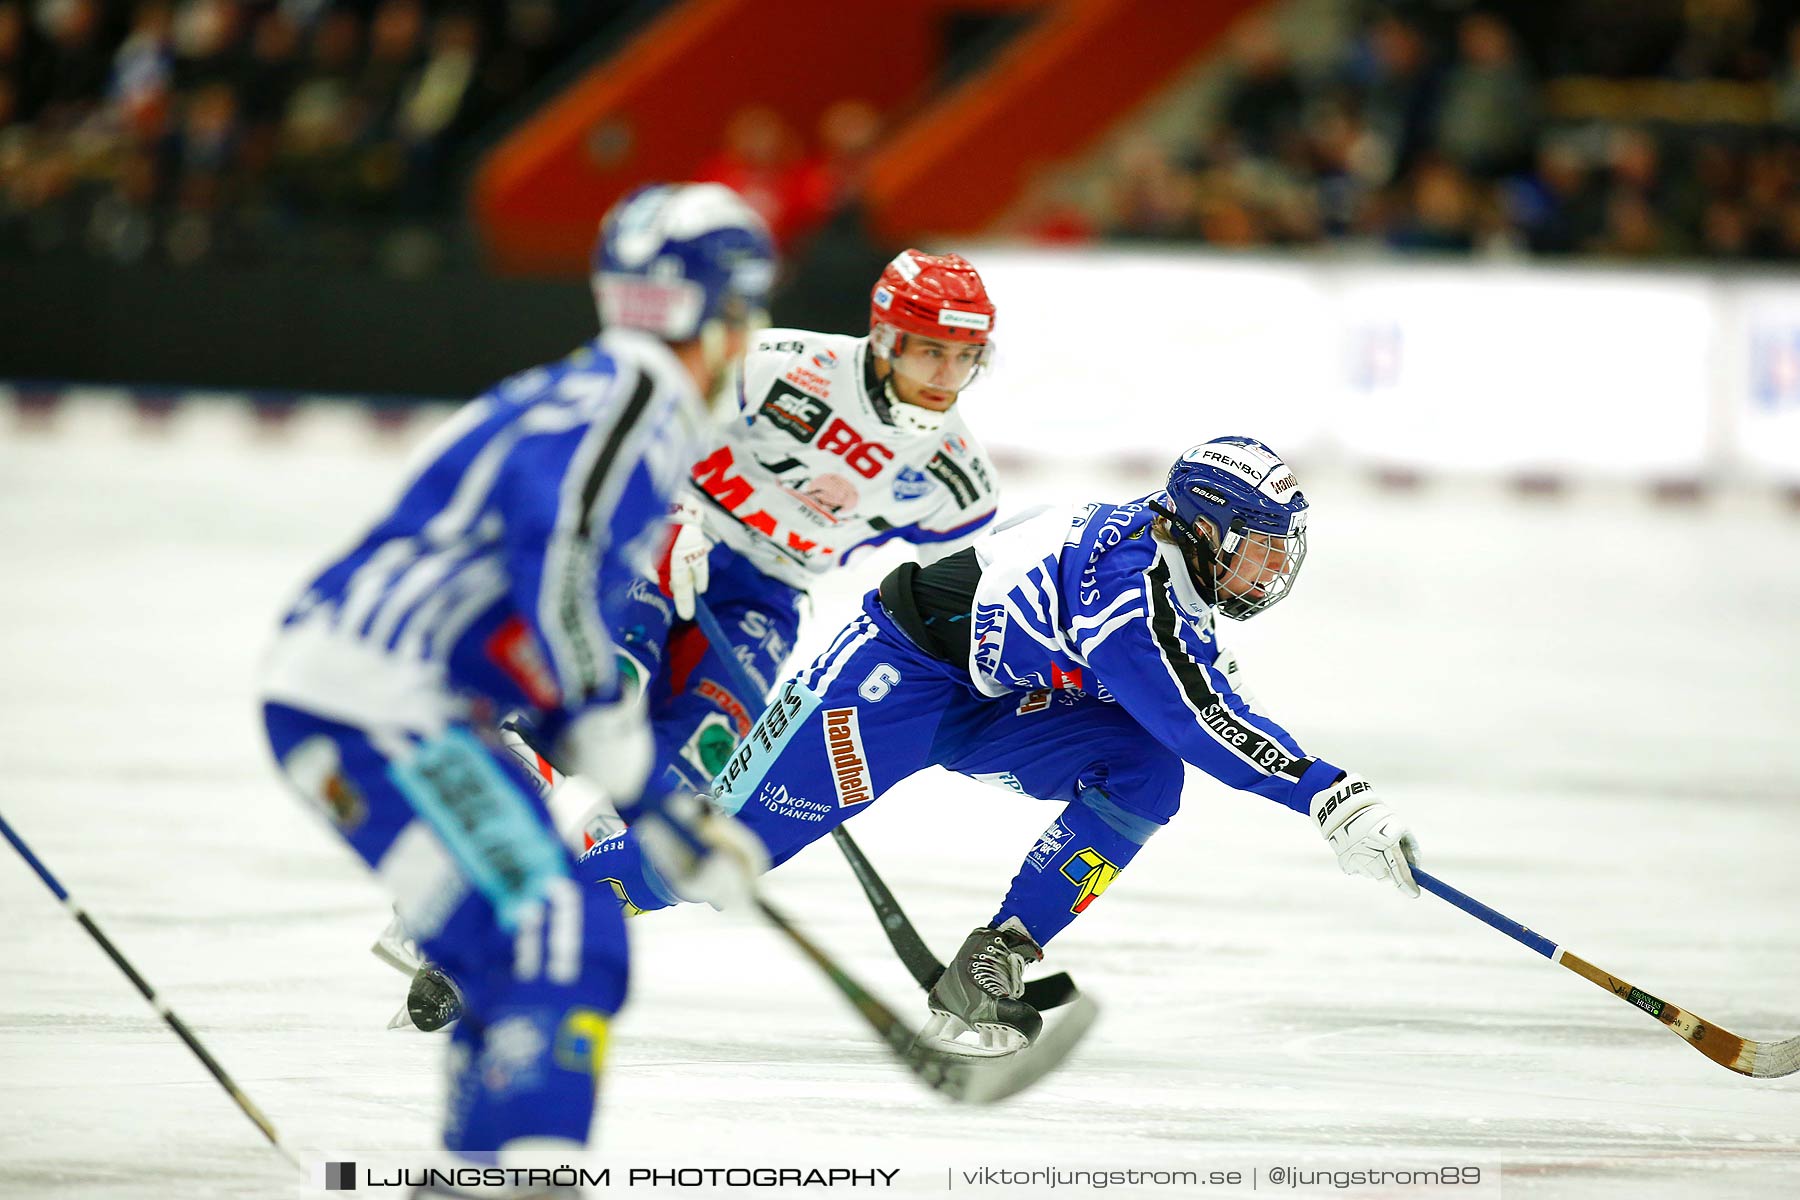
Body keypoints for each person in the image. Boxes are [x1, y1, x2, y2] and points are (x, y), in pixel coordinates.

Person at [577, 436, 1422, 1058]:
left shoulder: (1173, 574)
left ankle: (998, 955)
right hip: (894, 677)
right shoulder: (1133, 596)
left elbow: (1201, 700)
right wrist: (1325, 792)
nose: (1270, 572)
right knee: (706, 860)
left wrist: (1326, 789)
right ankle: (521, 906)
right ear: (1204, 530)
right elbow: (1197, 716)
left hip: (1002, 699)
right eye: (1260, 548)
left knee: (1141, 774)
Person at [257, 182, 775, 1179]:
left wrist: (652, 798)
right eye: (743, 311)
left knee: (527, 939)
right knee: (555, 928)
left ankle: (483, 1175)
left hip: (367, 694)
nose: (744, 337)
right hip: (376, 702)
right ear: (705, 315)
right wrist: (605, 724)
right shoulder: (642, 405)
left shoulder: (598, 388)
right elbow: (562, 549)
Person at [572, 248, 1004, 851]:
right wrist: (673, 509)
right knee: (605, 680)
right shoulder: (779, 362)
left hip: (769, 591)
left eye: (965, 358)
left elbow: (953, 607)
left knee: (703, 753)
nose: (945, 377)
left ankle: (568, 874)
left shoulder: (960, 480)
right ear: (885, 338)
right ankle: (503, 796)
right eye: (932, 350)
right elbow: (651, 422)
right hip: (674, 531)